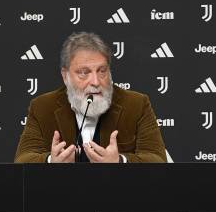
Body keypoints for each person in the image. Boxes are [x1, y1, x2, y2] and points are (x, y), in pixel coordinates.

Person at [14, 31, 167, 163]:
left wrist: (120, 161)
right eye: (83, 72)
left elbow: (157, 159)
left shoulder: (137, 104)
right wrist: (51, 161)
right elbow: (23, 159)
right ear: (65, 76)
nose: (95, 82)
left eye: (102, 71)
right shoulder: (42, 106)